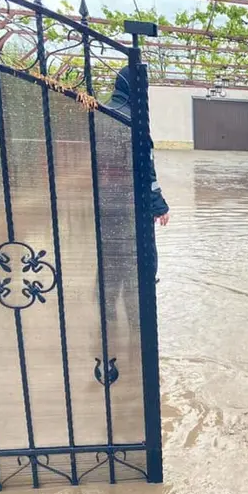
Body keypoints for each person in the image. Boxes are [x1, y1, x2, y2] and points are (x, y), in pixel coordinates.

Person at [102, 66, 170, 328]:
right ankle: (138, 324)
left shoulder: (100, 112)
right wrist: (158, 205)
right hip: (130, 207)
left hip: (102, 205)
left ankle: (107, 320)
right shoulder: (133, 121)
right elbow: (145, 170)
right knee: (140, 262)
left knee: (109, 262)